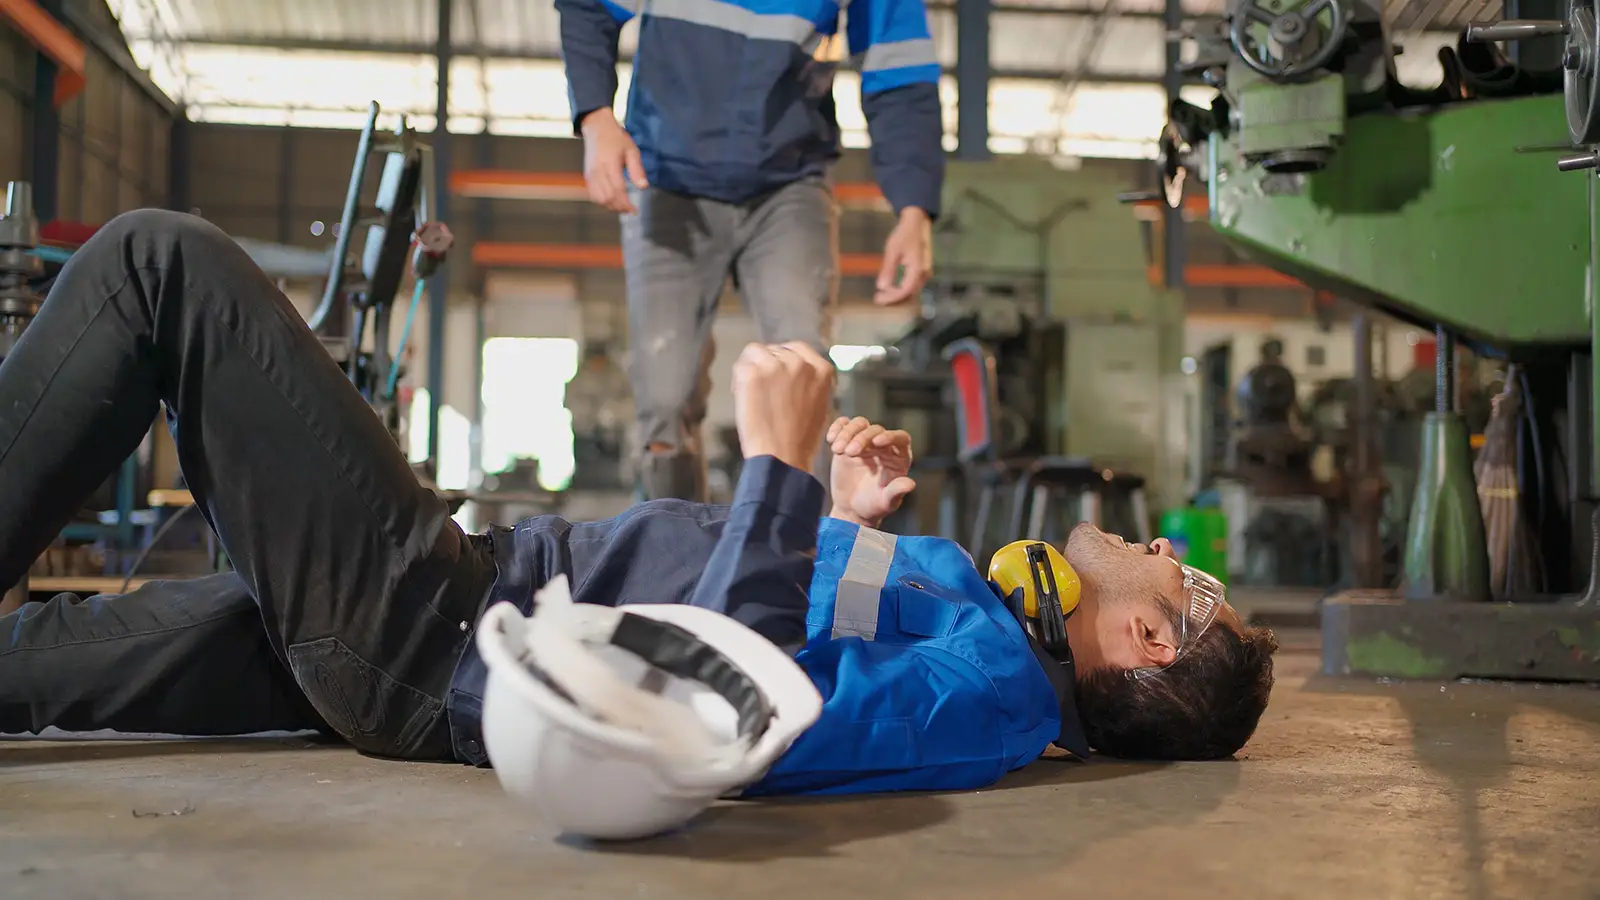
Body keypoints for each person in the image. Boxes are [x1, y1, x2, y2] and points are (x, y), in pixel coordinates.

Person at [0, 212, 1277, 792]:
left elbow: (717, 710)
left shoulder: (987, 698)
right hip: (454, 625)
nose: (1168, 546)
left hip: (438, 629)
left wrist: (772, 475)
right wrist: (833, 509)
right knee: (32, 663)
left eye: (1188, 580)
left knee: (159, 268)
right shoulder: (986, 638)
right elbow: (786, 624)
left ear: (1154, 641)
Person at [556, 0, 944, 502]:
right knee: (666, 398)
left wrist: (914, 209)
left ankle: (803, 561)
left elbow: (900, 71)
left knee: (804, 375)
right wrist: (595, 116)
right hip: (666, 176)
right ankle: (676, 564)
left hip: (790, 182)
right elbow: (588, 7)